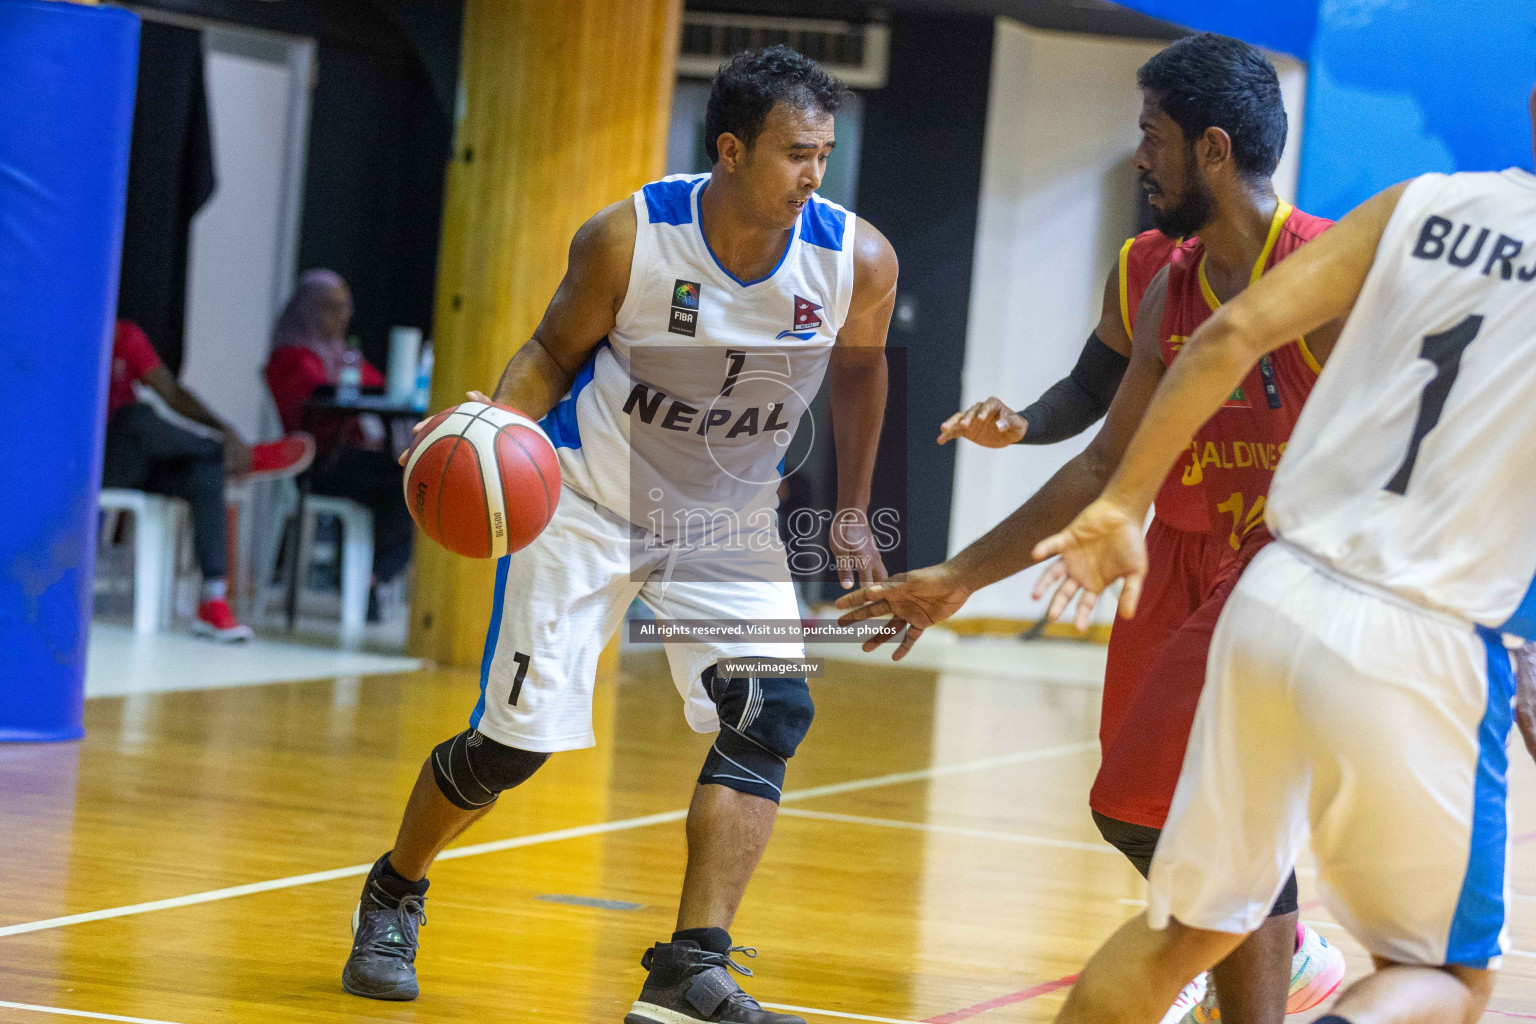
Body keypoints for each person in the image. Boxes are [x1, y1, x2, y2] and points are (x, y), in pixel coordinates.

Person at [339, 47, 897, 1024]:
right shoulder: (630, 239)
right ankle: (395, 888)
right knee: (510, 751)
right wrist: (497, 428)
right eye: (796, 153)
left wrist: (851, 504)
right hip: (588, 504)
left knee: (772, 712)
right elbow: (552, 352)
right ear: (730, 149)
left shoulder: (855, 259)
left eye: (825, 152)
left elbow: (859, 371)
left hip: (726, 520)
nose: (817, 173)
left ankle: (690, 965)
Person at [839, 34, 1344, 1023]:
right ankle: (1272, 942)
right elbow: (1104, 451)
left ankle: (1253, 949)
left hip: (1291, 569)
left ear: (1209, 147)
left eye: (1149, 135)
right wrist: (956, 577)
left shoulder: (1323, 272)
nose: (1138, 155)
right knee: (1136, 807)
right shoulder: (1166, 276)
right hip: (1177, 552)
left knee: (1214, 815)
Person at [1029, 83, 1536, 1024]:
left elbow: (1231, 332)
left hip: (1274, 596)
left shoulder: (1419, 204)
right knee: (1445, 977)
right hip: (1420, 637)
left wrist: (1120, 504)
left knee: (1177, 934)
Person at [102, 320, 313, 641]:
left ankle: (213, 600)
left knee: (203, 468)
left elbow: (171, 392)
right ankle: (239, 459)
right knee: (136, 417)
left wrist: (224, 429)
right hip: (86, 463)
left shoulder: (124, 335)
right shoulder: (62, 333)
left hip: (133, 466)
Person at [265, 269, 414, 596]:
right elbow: (315, 411)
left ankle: (372, 579)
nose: (343, 315)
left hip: (352, 459)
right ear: (308, 309)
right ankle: (371, 582)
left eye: (346, 307)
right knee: (404, 486)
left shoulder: (343, 355)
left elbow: (383, 389)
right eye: (331, 307)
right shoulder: (292, 357)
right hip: (318, 465)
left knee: (415, 478)